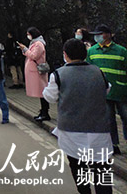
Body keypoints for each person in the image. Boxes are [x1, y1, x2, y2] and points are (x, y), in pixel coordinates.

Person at [44, 38, 113, 194]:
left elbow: (50, 97)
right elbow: (107, 89)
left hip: (71, 132)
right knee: (101, 170)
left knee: (79, 168)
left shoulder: (58, 74)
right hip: (98, 130)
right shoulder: (98, 71)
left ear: (65, 54)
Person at [87, 24, 127, 155]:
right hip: (103, 92)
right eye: (96, 34)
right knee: (109, 119)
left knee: (125, 116)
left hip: (121, 91)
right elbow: (89, 71)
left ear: (109, 35)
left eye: (100, 34)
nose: (97, 37)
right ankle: (113, 144)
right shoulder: (92, 51)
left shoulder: (121, 51)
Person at [17, 27, 50, 121]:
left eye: (29, 34)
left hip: (38, 71)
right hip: (35, 71)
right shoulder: (34, 43)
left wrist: (25, 49)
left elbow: (34, 56)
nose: (28, 36)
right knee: (40, 92)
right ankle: (43, 111)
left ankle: (45, 112)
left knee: (42, 92)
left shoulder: (39, 44)